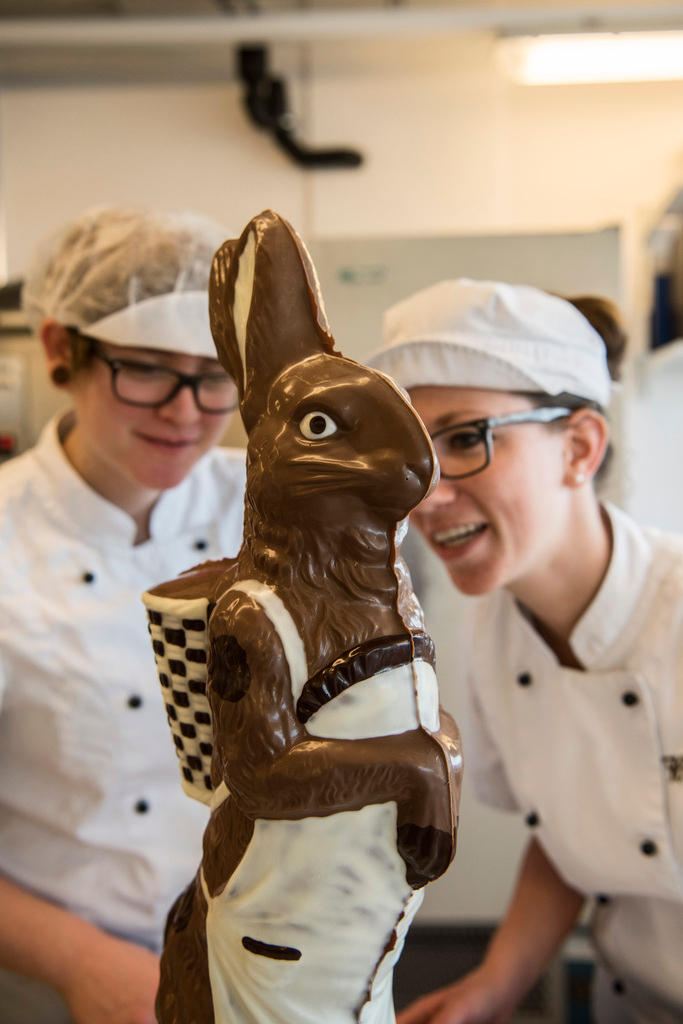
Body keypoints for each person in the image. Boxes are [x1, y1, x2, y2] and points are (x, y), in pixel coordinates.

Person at [370, 279, 683, 1024]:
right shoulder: (487, 626)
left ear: (577, 447)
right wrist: (493, 986)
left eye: (464, 438)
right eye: (411, 455)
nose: (427, 494)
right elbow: (568, 829)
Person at [0, 206, 246, 1024]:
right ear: (61, 351)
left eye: (214, 375)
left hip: (268, 954)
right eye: (145, 369)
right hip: (59, 976)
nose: (186, 411)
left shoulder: (276, 504)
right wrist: (78, 961)